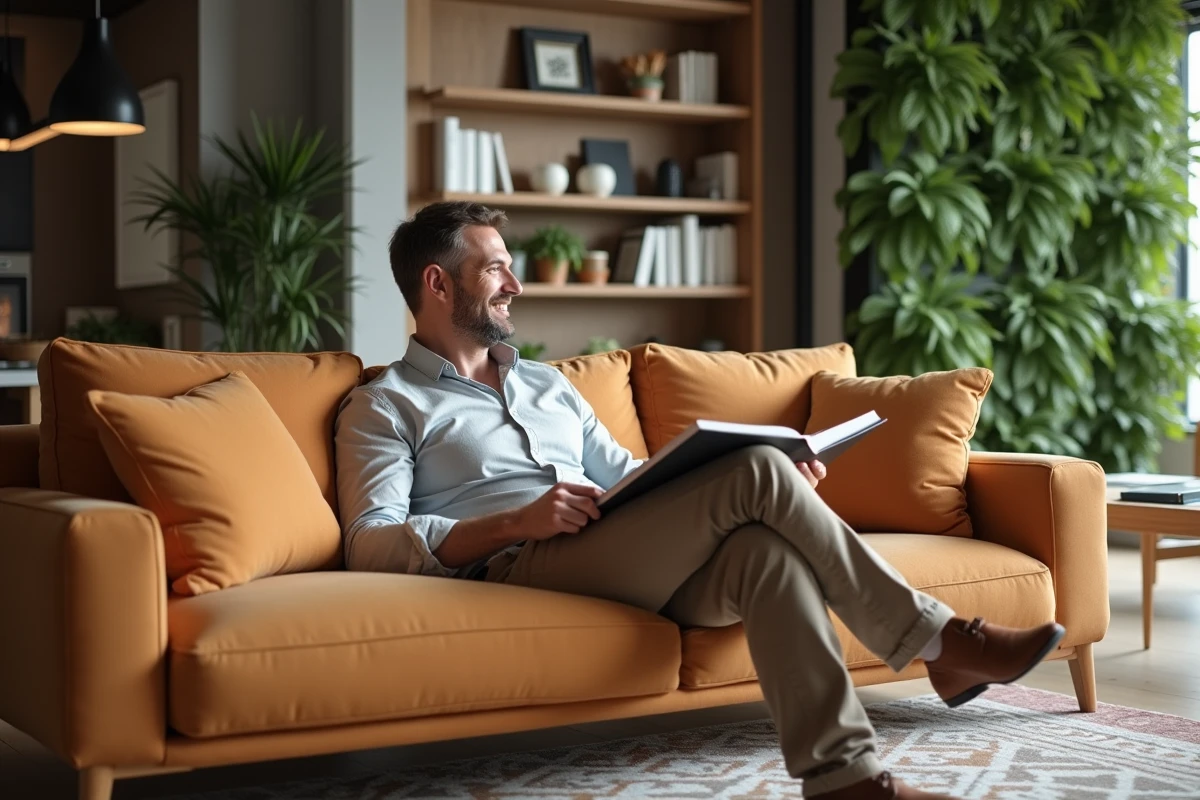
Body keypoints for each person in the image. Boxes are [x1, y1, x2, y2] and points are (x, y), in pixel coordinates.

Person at [334, 201, 1065, 800]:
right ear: (437, 284)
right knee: (755, 474)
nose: (514, 284)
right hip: (520, 560)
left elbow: (626, 473)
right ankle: (942, 644)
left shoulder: (549, 384)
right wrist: (512, 521)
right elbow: (371, 539)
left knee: (764, 549)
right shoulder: (386, 405)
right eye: (494, 267)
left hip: (611, 544)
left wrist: (778, 487)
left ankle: (846, 783)